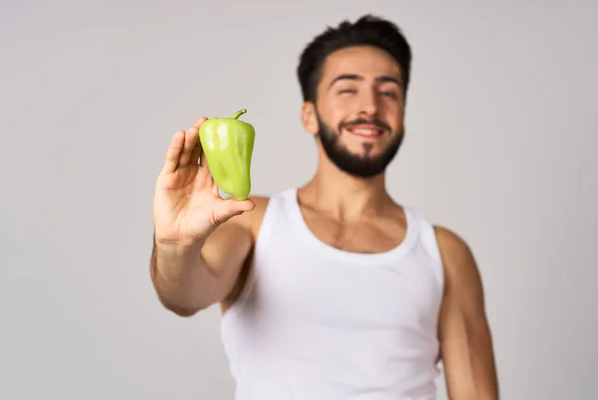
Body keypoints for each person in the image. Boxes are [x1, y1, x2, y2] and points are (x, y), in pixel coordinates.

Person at [149, 14, 499, 400]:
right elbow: (183, 295)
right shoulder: (253, 221)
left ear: (402, 115)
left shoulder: (445, 254)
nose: (371, 106)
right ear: (309, 115)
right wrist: (175, 245)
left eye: (389, 91)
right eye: (348, 89)